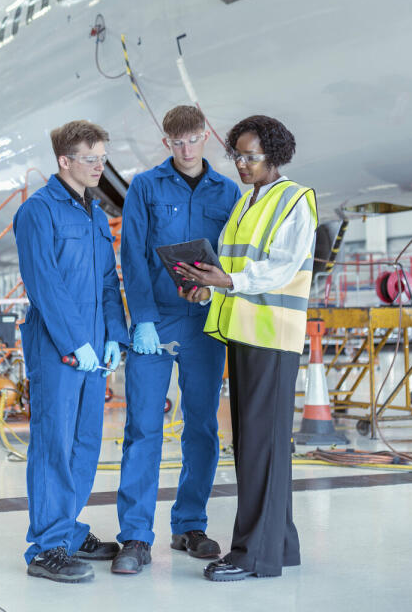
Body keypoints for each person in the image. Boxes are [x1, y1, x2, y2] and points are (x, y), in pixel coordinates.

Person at [174, 115, 316, 582]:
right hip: (245, 333)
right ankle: (281, 544)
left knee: (262, 448)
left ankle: (252, 554)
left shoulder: (294, 201)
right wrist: (208, 287)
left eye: (249, 156)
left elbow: (282, 267)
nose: (240, 163)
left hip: (273, 337)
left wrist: (229, 281)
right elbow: (232, 269)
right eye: (236, 154)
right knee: (256, 446)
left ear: (273, 156)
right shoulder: (247, 203)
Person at [111, 106, 240, 576]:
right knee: (143, 428)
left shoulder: (228, 192)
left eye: (193, 140)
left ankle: (190, 525)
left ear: (206, 136)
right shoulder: (145, 186)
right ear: (166, 143)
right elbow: (134, 254)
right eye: (177, 142)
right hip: (158, 321)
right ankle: (136, 536)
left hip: (206, 322)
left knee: (202, 427)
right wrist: (141, 318)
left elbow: (232, 256)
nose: (186, 150)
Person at [12, 119, 129, 583]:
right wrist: (73, 342)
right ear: (64, 161)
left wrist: (114, 337)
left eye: (103, 157)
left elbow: (106, 281)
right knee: (53, 445)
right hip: (57, 348)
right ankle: (46, 547)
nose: (100, 166)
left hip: (94, 350)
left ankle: (68, 528)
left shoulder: (96, 215)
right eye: (90, 159)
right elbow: (44, 283)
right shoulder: (38, 211)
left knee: (84, 445)